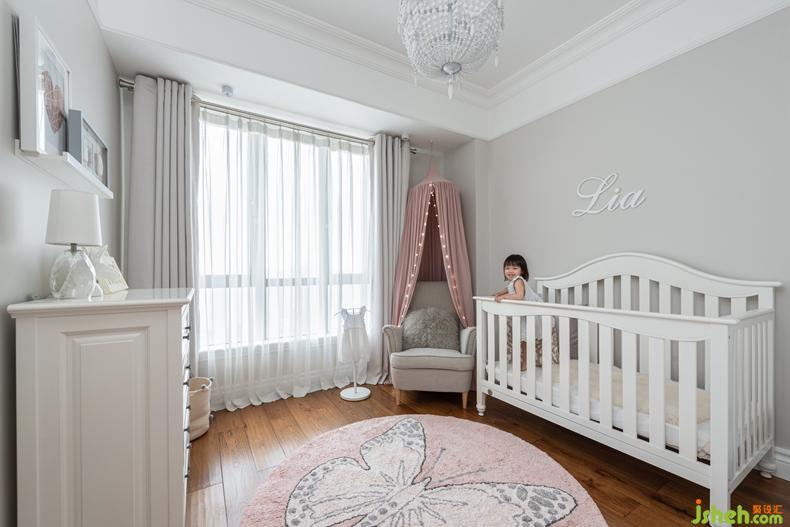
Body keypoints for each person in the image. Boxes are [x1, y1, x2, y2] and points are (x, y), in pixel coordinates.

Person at [492, 254, 542, 371]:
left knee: (526, 340)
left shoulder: (518, 280)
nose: (510, 271)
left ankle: (526, 363)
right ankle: (524, 362)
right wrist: (498, 293)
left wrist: (503, 297)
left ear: (522, 271)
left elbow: (519, 295)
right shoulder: (512, 282)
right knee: (524, 340)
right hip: (524, 314)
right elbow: (508, 289)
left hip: (531, 313)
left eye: (515, 268)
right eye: (507, 268)